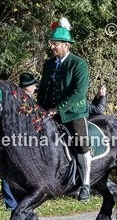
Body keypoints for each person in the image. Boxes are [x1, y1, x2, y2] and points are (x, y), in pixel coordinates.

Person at [36, 17, 93, 202]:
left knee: (81, 143)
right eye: (51, 43)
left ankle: (85, 184)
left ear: (66, 45)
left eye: (56, 44)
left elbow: (79, 92)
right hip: (49, 112)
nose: (52, 47)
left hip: (73, 113)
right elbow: (44, 89)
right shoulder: (48, 64)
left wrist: (58, 110)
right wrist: (39, 109)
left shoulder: (79, 64)